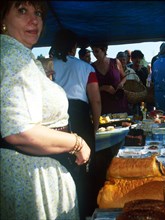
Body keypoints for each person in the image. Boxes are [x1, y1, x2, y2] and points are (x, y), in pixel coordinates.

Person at [0, 2, 91, 219]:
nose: (34, 20)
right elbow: (19, 131)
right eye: (22, 11)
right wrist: (76, 142)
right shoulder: (13, 57)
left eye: (38, 13)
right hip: (32, 177)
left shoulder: (19, 54)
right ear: (2, 19)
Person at [52, 28, 101, 219]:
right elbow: (95, 100)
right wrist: (95, 126)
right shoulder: (86, 68)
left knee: (61, 167)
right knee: (85, 167)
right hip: (80, 119)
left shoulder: (48, 66)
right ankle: (86, 211)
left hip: (55, 121)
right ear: (74, 47)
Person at [91, 43, 129, 114]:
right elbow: (90, 89)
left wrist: (121, 84)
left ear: (104, 50)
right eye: (93, 52)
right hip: (103, 103)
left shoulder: (115, 62)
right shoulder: (91, 67)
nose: (94, 54)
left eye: (97, 51)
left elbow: (124, 77)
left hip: (119, 101)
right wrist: (103, 88)